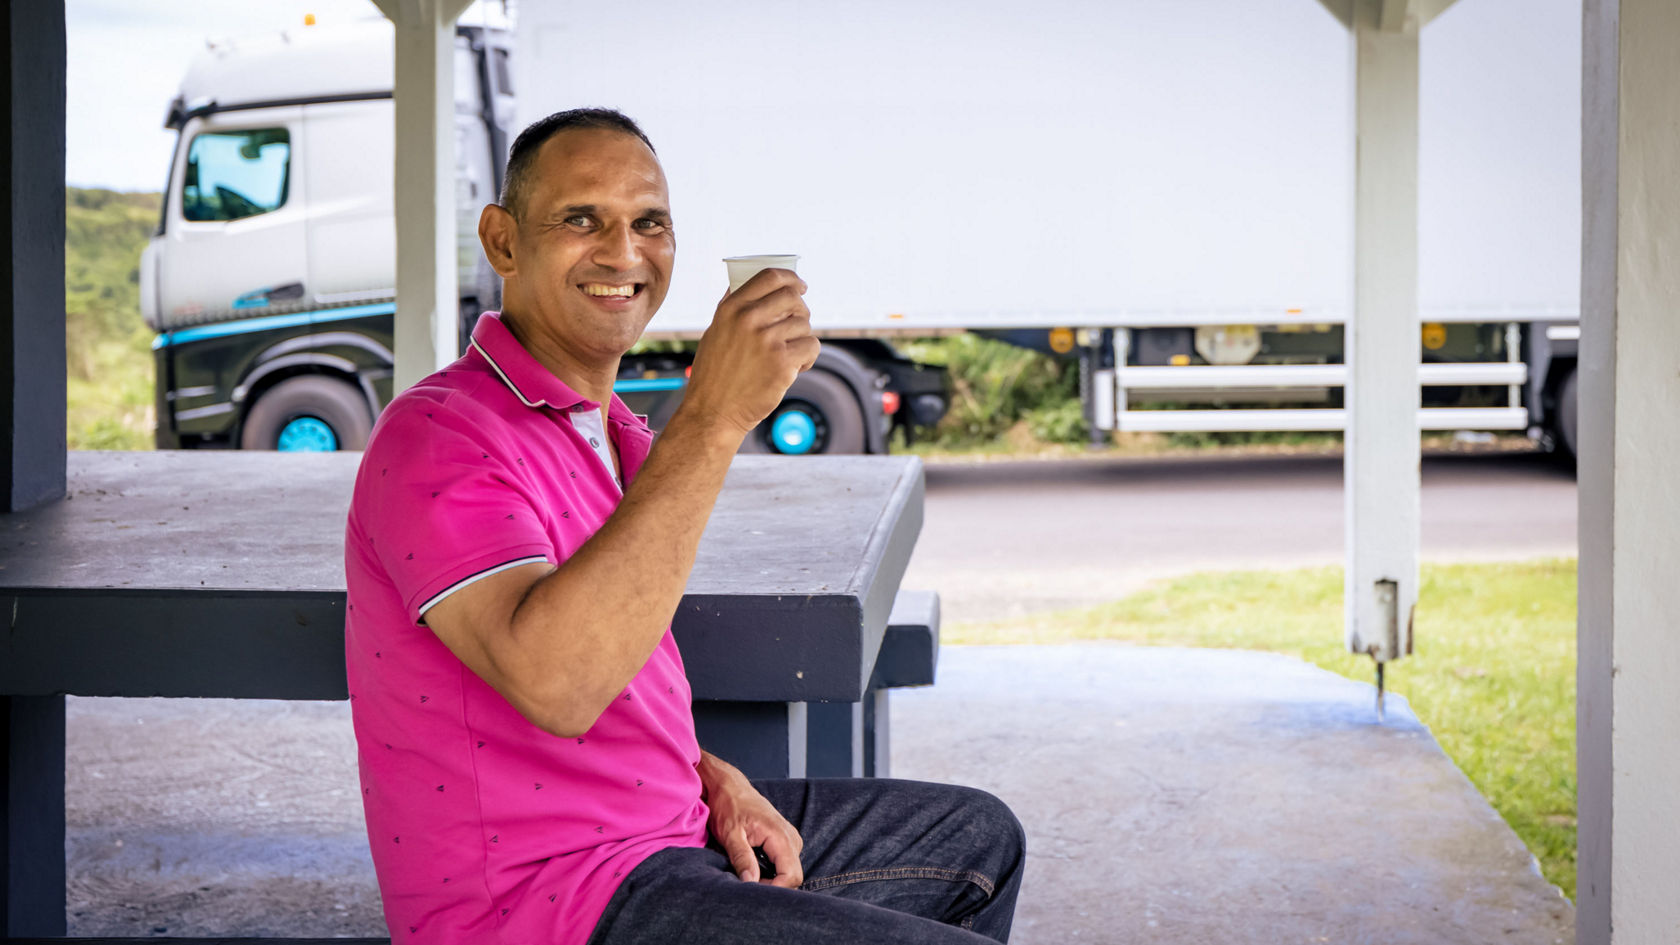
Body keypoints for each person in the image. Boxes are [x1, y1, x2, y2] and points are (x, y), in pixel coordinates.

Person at [344, 107, 1024, 945]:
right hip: (546, 903)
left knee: (977, 843)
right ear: (504, 241)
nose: (624, 254)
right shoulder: (439, 436)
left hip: (664, 835)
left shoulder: (616, 435)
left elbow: (618, 656)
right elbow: (557, 681)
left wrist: (705, 775)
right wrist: (713, 415)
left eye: (649, 223)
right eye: (581, 219)